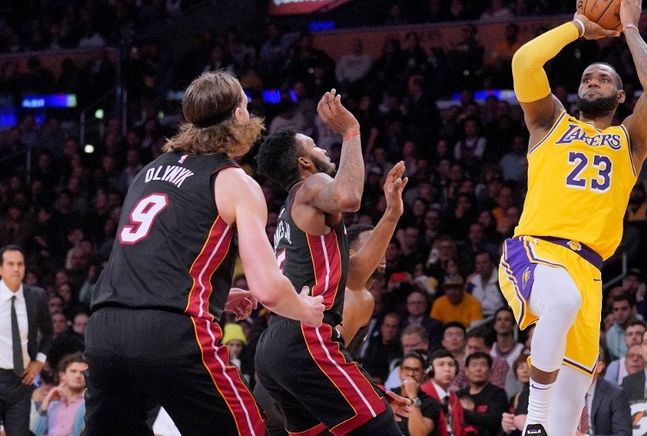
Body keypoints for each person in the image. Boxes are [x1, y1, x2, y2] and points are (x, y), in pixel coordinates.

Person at [84, 71, 325, 435]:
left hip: (105, 330)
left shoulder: (148, 171)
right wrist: (305, 309)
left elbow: (153, 262)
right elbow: (269, 289)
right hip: (172, 334)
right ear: (239, 116)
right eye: (245, 104)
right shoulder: (234, 181)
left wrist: (219, 294)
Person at [497, 0, 647, 436]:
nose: (592, 80)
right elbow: (524, 61)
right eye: (586, 77)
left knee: (573, 404)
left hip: (589, 270)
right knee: (563, 300)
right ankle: (532, 421)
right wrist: (579, 26)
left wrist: (629, 27)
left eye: (604, 78)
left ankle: (547, 427)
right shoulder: (549, 121)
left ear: (619, 98)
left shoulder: (628, 141)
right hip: (535, 249)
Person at [254, 89, 403, 435]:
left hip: (274, 348)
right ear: (304, 163)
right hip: (305, 336)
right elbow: (349, 196)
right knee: (383, 428)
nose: (324, 149)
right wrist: (351, 130)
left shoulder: (293, 213)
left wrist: (392, 215)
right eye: (315, 147)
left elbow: (356, 278)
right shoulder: (310, 186)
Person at [340, 161, 408, 352]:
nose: (382, 253)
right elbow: (328, 358)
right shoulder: (343, 292)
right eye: (374, 247)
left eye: (383, 248)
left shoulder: (365, 296)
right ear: (351, 255)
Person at [0, 245, 53, 436]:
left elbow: (48, 332)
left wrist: (39, 362)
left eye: (20, 264)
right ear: (0, 268)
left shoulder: (36, 296)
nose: (16, 268)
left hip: (21, 380)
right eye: (10, 264)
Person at [31, 352, 87, 436]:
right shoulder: (53, 405)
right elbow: (34, 433)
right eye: (73, 371)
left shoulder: (86, 405)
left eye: (82, 372)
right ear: (63, 375)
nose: (78, 375)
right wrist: (46, 402)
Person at [393, 351, 442, 435]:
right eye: (407, 369)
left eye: (416, 370)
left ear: (423, 375)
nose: (411, 374)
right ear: (400, 371)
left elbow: (419, 434)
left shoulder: (430, 403)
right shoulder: (389, 394)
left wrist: (413, 396)